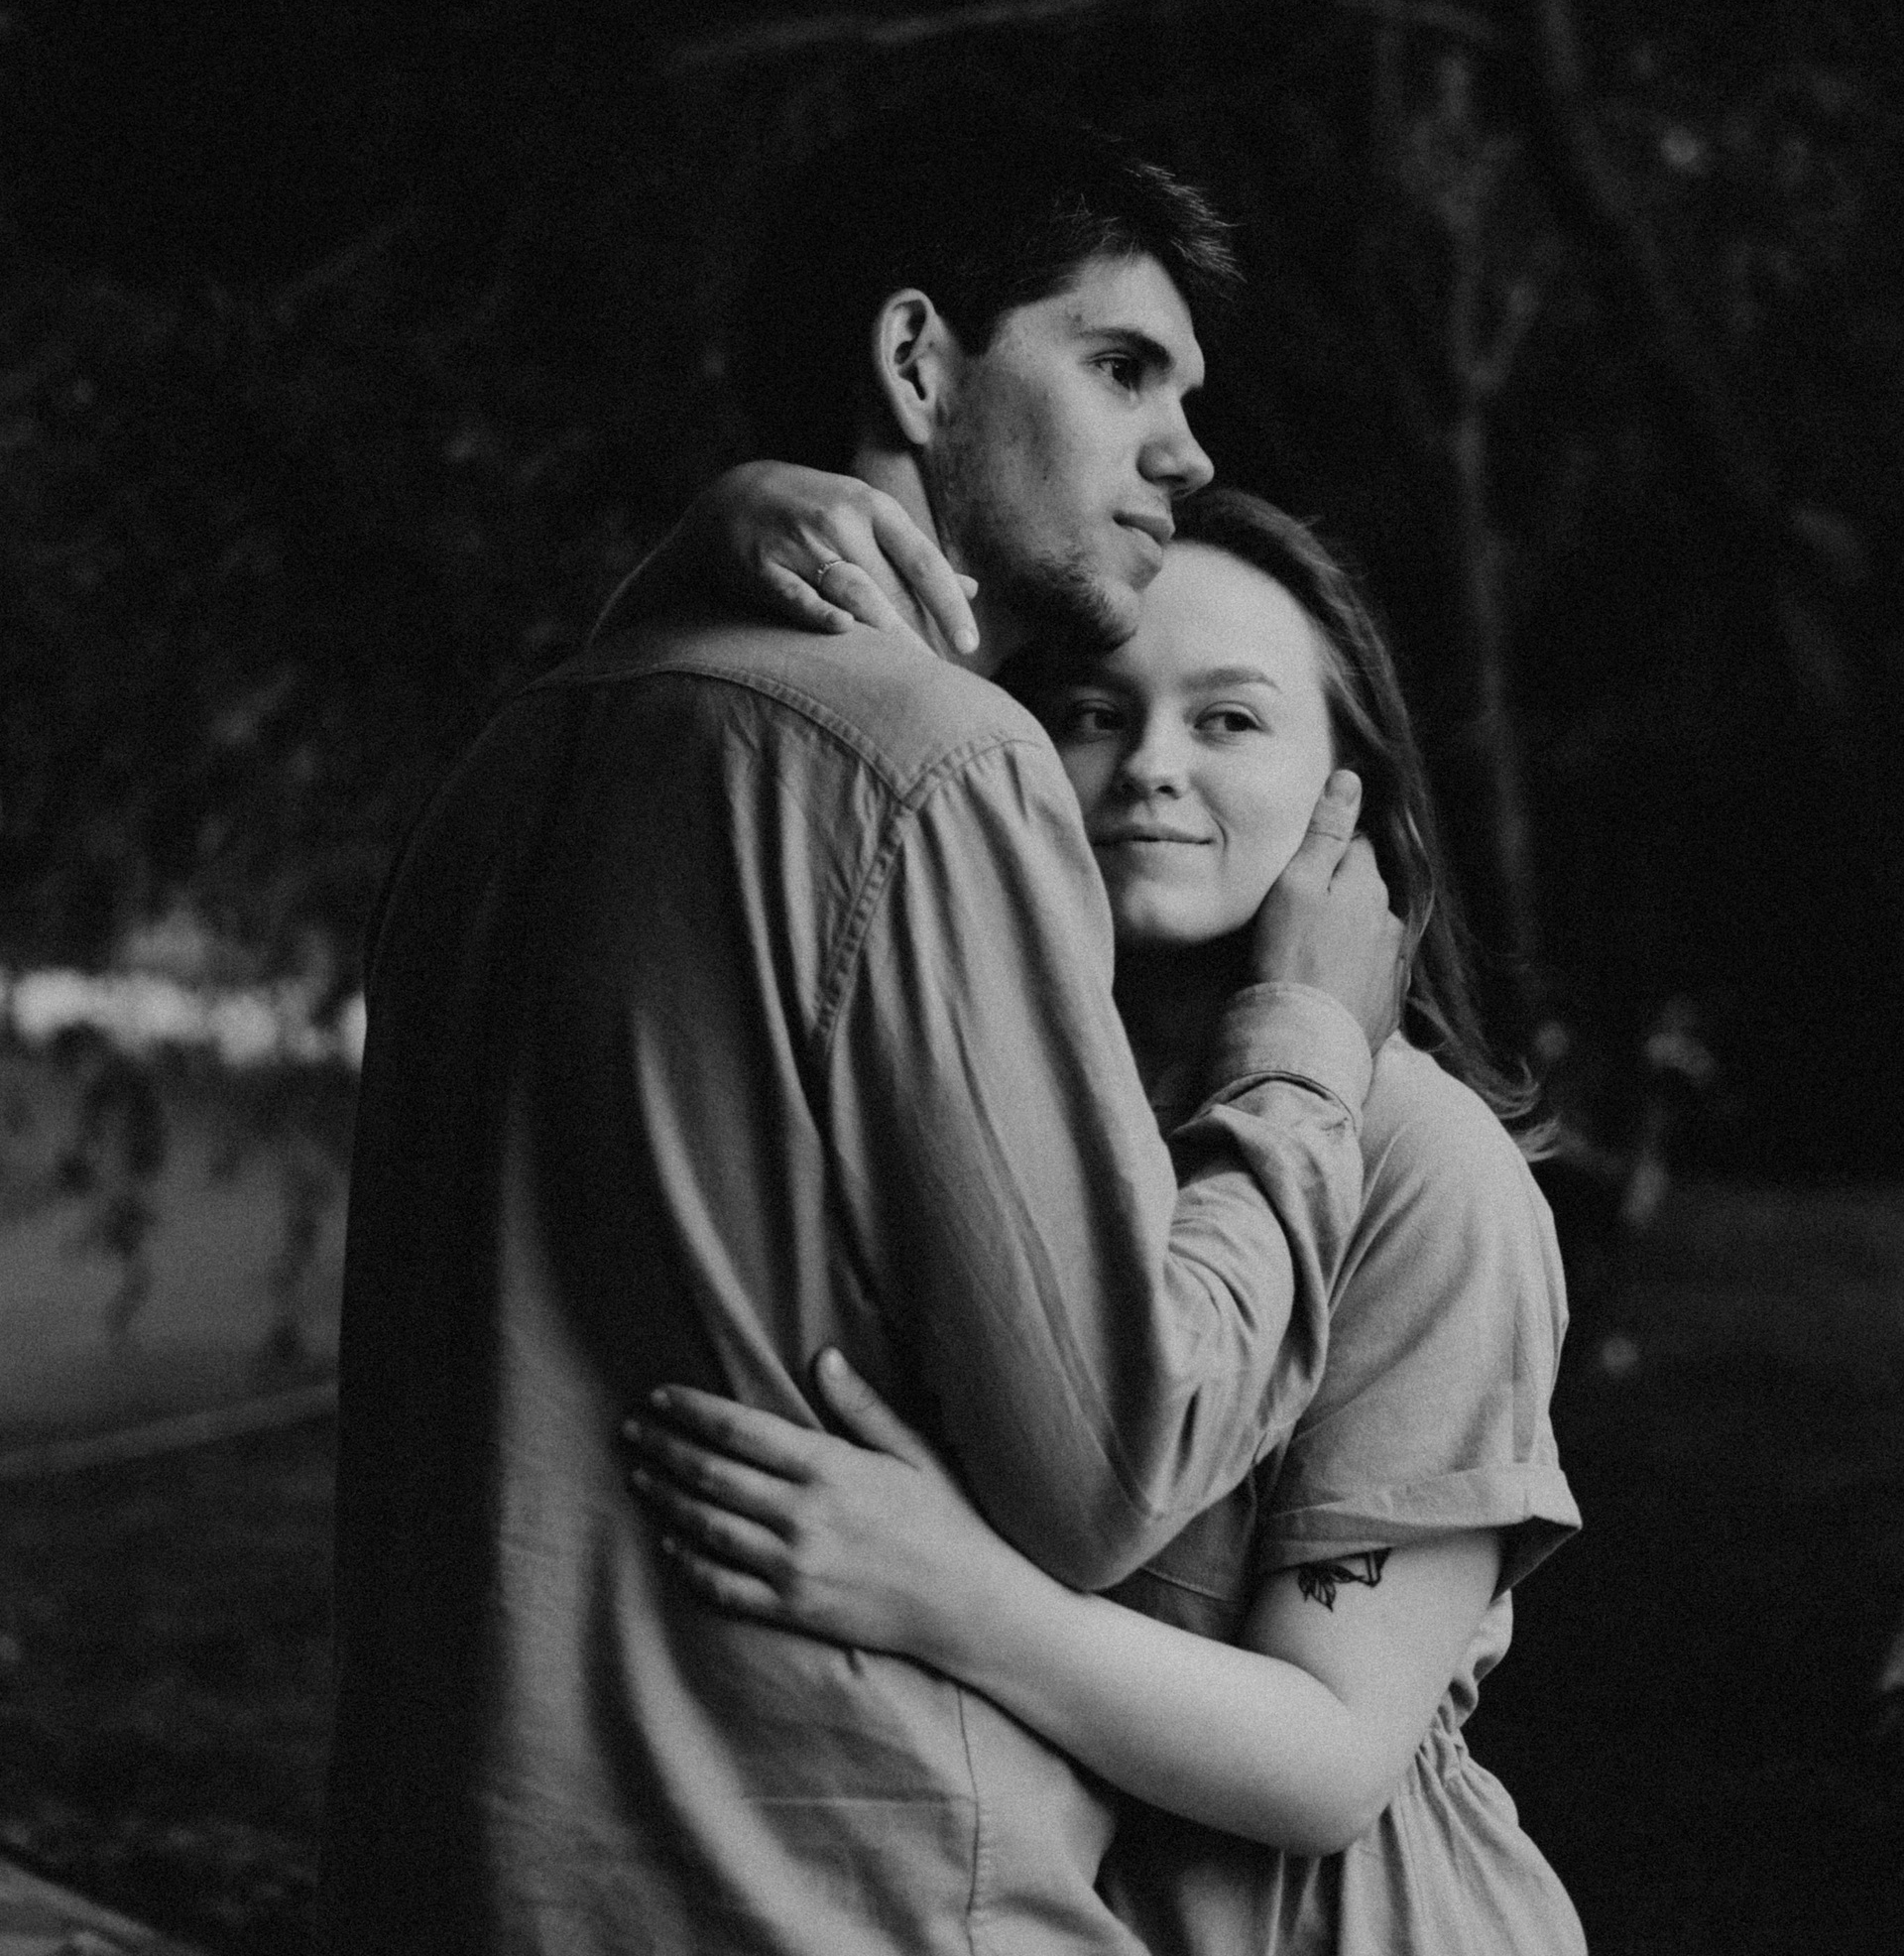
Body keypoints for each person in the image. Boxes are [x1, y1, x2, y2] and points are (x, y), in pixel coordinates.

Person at [319, 114, 1406, 1955]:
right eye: (1122, 367)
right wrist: (1304, 1045)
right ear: (918, 361)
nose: (1187, 451)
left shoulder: (510, 763)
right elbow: (1110, 1457)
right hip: (819, 1898)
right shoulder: (937, 761)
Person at [623, 486, 1588, 1956]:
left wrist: (948, 1591)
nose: (1148, 767)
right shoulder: (988, 1110)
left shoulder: (1427, 1170)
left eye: (1229, 720)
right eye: (1089, 714)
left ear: (1352, 800)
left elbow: (1328, 1758)